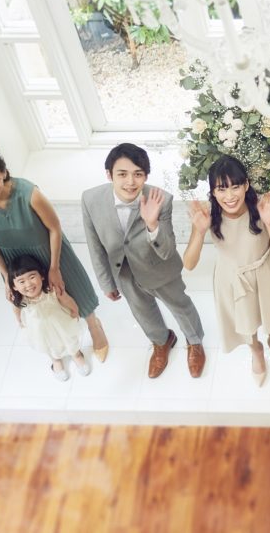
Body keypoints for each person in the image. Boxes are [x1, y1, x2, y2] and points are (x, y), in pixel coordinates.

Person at [0, 146, 109, 359]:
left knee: (71, 288)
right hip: (12, 260)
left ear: (3, 173)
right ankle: (58, 340)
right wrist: (6, 276)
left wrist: (54, 268)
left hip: (47, 251)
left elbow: (54, 228)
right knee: (33, 299)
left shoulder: (29, 193)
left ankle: (94, 326)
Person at [81, 143, 207, 380]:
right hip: (124, 273)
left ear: (146, 176)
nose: (130, 182)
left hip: (160, 269)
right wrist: (107, 283)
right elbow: (94, 245)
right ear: (109, 174)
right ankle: (161, 341)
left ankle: (195, 341)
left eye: (138, 174)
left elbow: (167, 251)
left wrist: (152, 224)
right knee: (142, 312)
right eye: (122, 174)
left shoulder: (162, 199)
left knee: (180, 306)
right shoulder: (90, 199)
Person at [183, 155, 270, 386]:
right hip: (232, 278)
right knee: (246, 321)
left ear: (246, 185)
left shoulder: (262, 208)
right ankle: (256, 350)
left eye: (235, 187)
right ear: (213, 192)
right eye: (222, 189)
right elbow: (188, 264)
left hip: (265, 271)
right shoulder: (208, 215)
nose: (229, 196)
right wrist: (199, 231)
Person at [8, 254, 91, 382]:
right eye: (21, 282)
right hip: (40, 330)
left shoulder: (51, 290)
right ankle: (56, 360)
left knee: (69, 339)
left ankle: (76, 354)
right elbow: (16, 309)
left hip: (61, 324)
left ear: (41, 275)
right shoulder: (21, 301)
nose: (28, 284)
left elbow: (66, 300)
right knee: (47, 345)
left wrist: (75, 310)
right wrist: (19, 320)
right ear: (14, 286)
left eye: (32, 277)